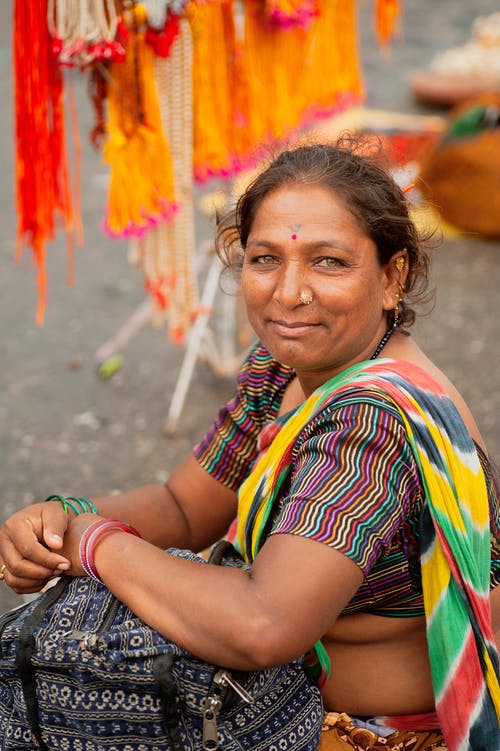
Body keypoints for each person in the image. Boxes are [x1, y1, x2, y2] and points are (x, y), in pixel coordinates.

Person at [0, 138, 499, 751]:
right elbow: (183, 508)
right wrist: (58, 524)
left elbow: (265, 624)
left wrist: (97, 544)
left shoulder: (372, 423)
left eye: (329, 263)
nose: (288, 293)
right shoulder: (286, 368)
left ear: (393, 277)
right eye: (265, 259)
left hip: (379, 737)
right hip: (287, 703)